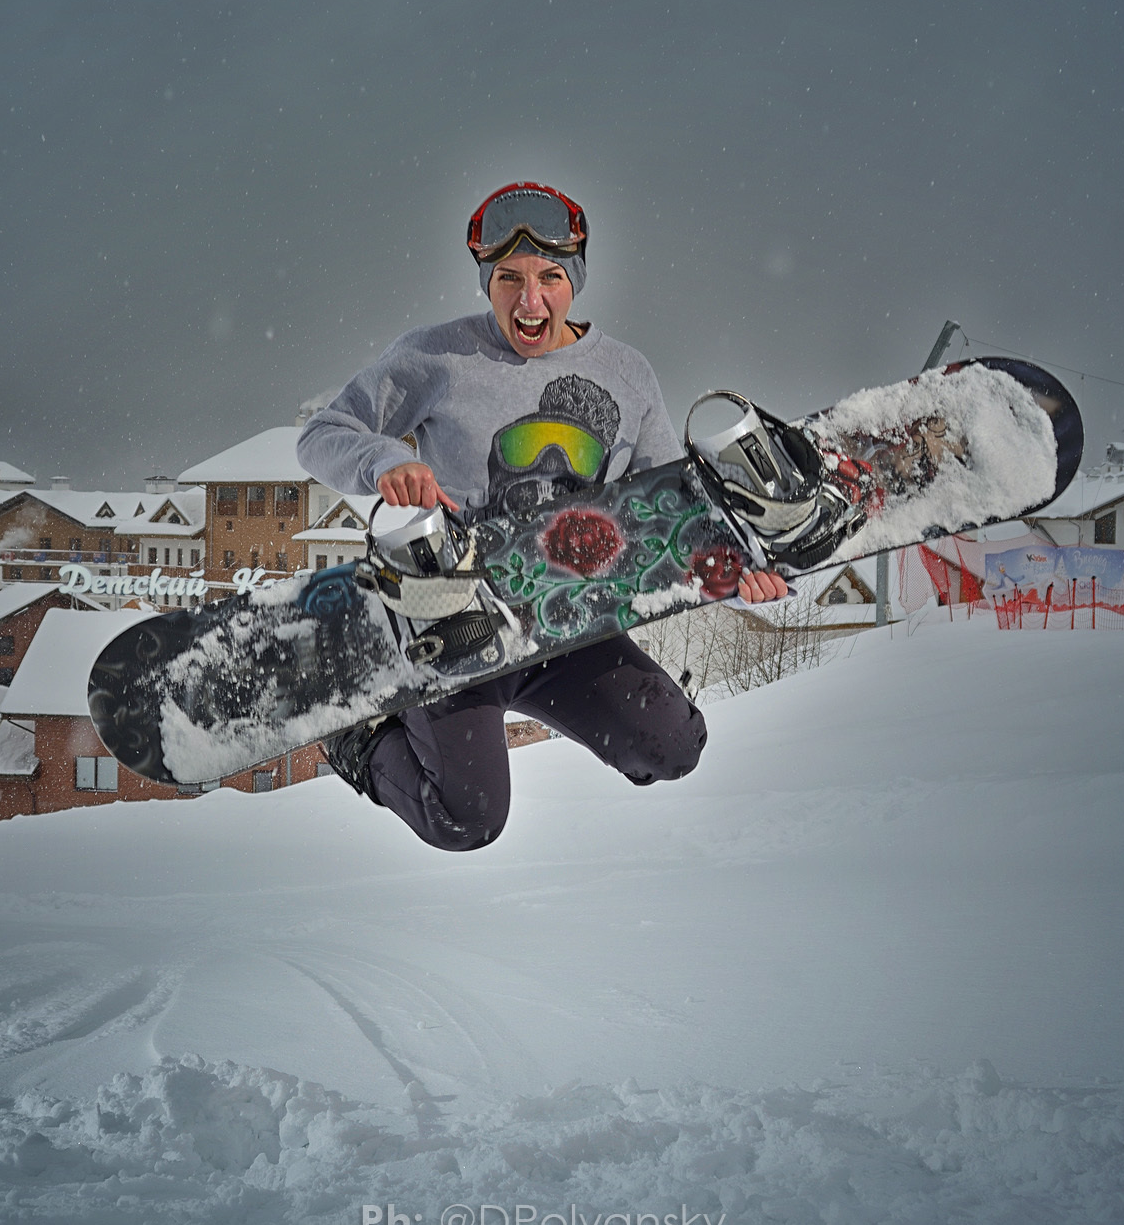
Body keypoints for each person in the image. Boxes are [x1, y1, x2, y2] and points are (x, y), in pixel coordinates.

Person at [296, 182, 785, 850]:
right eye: (510, 279)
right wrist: (385, 458)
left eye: (550, 278)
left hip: (567, 631)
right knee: (466, 819)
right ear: (487, 281)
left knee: (674, 745)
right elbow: (321, 434)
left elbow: (672, 511)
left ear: (575, 279)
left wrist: (728, 570)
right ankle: (361, 737)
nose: (530, 302)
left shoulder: (628, 374)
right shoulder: (437, 357)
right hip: (457, 627)